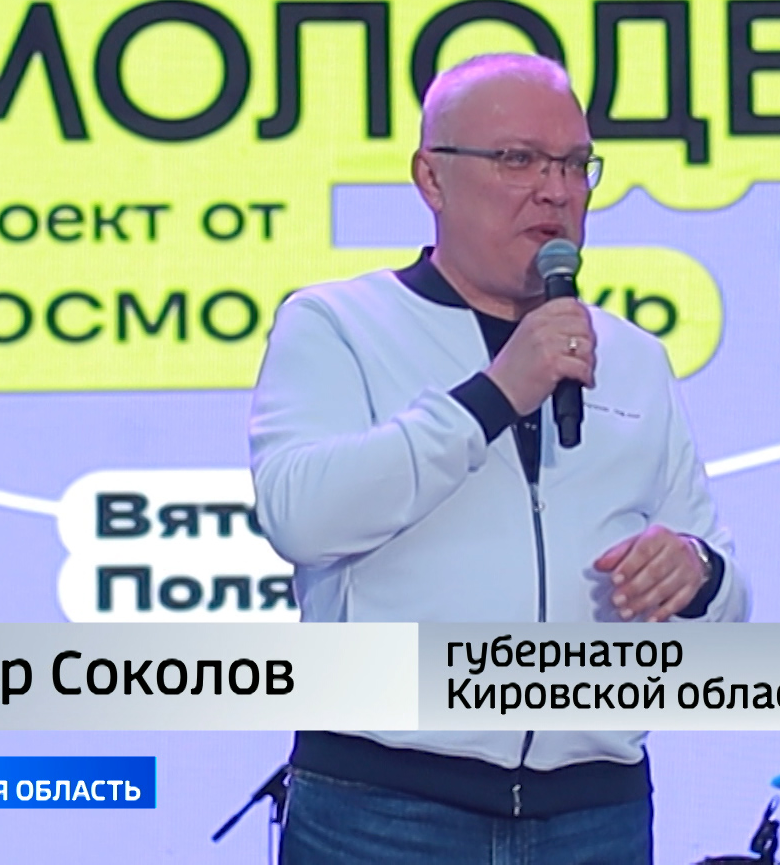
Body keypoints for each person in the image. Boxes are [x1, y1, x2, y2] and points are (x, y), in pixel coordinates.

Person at [249, 52, 750, 864]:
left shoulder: (634, 357)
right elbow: (301, 517)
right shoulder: (338, 323)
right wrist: (494, 395)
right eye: (518, 159)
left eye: (575, 165)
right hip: (384, 809)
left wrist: (694, 573)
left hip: (595, 813)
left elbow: (726, 599)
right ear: (431, 177)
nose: (555, 190)